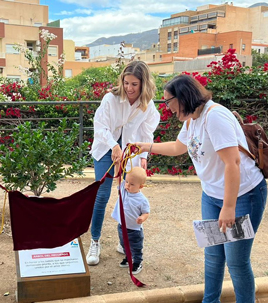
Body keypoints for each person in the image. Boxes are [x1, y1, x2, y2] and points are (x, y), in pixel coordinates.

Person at [135, 74, 267, 303]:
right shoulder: (192, 119)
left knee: (236, 261)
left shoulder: (214, 117)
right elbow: (179, 146)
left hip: (243, 196)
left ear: (184, 96)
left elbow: (232, 163)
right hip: (212, 196)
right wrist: (145, 147)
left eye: (168, 102)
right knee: (214, 255)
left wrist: (229, 207)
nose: (167, 108)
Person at [87, 61, 160, 265]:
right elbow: (100, 127)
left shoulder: (148, 104)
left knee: (128, 195)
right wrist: (113, 146)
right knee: (102, 194)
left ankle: (125, 240)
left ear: (143, 84)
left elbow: (147, 132)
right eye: (126, 82)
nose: (129, 88)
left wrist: (144, 157)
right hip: (105, 148)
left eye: (134, 84)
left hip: (131, 151)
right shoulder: (110, 99)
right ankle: (95, 241)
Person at [111, 167, 149, 275]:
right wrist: (118, 164)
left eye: (132, 184)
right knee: (124, 244)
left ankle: (137, 262)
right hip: (122, 226)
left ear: (140, 186)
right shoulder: (123, 189)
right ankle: (128, 258)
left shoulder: (142, 200)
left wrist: (142, 218)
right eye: (127, 181)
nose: (127, 185)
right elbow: (118, 176)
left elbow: (146, 212)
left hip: (134, 230)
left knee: (136, 247)